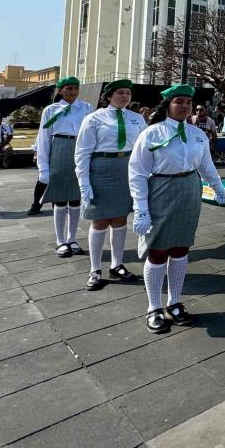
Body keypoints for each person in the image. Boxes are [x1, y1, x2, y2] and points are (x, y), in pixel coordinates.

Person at [130, 84, 225, 333]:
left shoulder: (197, 134)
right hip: (161, 190)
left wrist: (219, 189)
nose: (184, 106)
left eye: (188, 102)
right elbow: (137, 172)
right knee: (158, 251)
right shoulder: (152, 133)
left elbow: (207, 166)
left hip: (189, 190)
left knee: (181, 249)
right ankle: (153, 307)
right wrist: (140, 208)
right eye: (179, 101)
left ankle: (174, 302)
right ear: (168, 105)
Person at [75, 79, 147, 291]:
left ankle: (117, 264)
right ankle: (95, 269)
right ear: (108, 96)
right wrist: (83, 183)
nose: (125, 96)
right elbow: (82, 152)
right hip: (102, 168)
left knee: (120, 218)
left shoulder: (137, 119)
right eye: (120, 93)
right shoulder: (94, 119)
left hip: (127, 168)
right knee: (99, 221)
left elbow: (145, 148)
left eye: (128, 93)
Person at [37, 76, 93, 258]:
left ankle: (72, 238)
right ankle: (60, 240)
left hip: (81, 147)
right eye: (68, 88)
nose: (73, 92)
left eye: (75, 88)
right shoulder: (51, 110)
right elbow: (44, 138)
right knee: (60, 197)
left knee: (76, 197)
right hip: (59, 147)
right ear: (60, 90)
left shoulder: (86, 108)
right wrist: (43, 167)